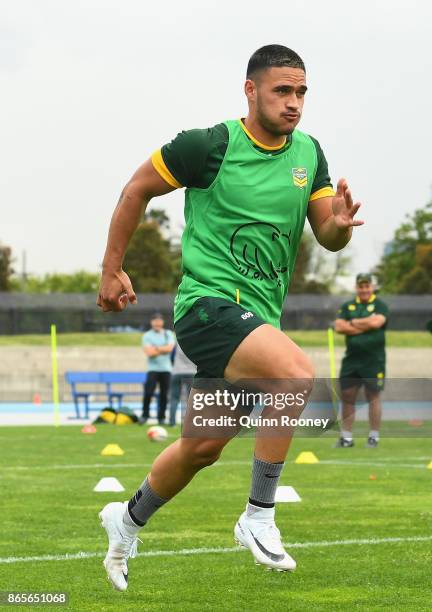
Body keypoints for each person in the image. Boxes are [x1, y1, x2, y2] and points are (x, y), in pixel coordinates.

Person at [96, 44, 363, 591]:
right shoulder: (208, 145)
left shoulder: (309, 153)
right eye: (282, 91)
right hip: (206, 306)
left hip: (255, 318)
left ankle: (124, 523)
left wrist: (337, 222)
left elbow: (329, 237)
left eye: (302, 92)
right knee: (293, 375)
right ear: (251, 90)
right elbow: (136, 189)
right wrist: (111, 269)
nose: (294, 103)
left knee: (201, 447)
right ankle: (258, 515)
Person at [334, 273, 389, 448]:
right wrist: (365, 326)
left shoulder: (380, 305)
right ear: (356, 287)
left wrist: (354, 323)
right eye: (361, 286)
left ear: (372, 287)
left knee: (373, 396)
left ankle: (373, 436)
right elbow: (339, 326)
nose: (364, 289)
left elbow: (376, 323)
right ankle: (346, 438)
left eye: (367, 286)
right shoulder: (347, 305)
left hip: (374, 360)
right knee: (347, 396)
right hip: (351, 360)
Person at [141, 313, 175, 424]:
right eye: (155, 320)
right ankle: (145, 415)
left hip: (166, 369)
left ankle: (161, 417)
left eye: (159, 320)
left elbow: (170, 348)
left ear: (162, 322)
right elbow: (149, 352)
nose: (157, 323)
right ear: (151, 322)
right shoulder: (147, 336)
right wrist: (162, 349)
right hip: (153, 369)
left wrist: (155, 348)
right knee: (148, 393)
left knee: (164, 395)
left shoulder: (168, 334)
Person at [168, 343, 196, 426]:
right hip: (191, 372)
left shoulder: (177, 343)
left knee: (174, 398)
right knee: (192, 400)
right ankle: (191, 423)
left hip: (177, 372)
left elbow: (172, 357)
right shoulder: (196, 344)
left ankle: (172, 422)